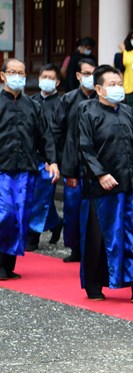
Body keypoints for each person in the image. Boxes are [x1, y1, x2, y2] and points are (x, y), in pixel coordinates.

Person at [75, 65, 133, 303]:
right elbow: (85, 148)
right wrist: (100, 174)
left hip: (129, 183)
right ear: (99, 88)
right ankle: (94, 284)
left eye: (119, 83)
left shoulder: (129, 112)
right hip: (102, 187)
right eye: (112, 85)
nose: (117, 88)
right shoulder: (88, 113)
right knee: (99, 238)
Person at [0, 58, 59, 280]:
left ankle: (8, 264)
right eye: (12, 72)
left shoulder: (33, 106)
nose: (17, 76)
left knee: (19, 218)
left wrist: (52, 160)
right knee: (3, 215)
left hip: (26, 169)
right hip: (2, 170)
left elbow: (45, 136)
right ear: (3, 75)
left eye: (21, 73)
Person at [58, 57, 97, 263]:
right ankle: (75, 247)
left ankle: (92, 248)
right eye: (87, 74)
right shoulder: (69, 99)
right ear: (79, 76)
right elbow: (59, 131)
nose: (90, 78)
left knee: (94, 210)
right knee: (73, 207)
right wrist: (58, 162)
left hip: (96, 166)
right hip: (73, 160)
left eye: (94, 73)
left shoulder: (103, 98)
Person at [26, 64, 64, 252]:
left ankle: (33, 236)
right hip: (29, 157)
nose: (46, 80)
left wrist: (55, 159)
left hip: (50, 160)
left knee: (40, 196)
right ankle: (56, 223)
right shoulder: (31, 101)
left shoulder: (62, 104)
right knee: (30, 196)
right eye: (44, 76)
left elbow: (62, 136)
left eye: (50, 77)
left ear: (57, 82)